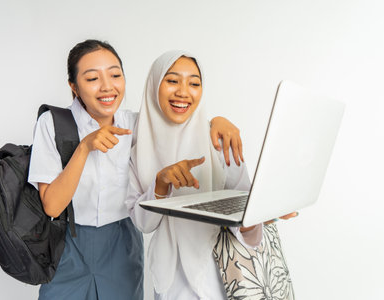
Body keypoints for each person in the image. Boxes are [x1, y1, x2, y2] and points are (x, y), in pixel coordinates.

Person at [28, 40, 245, 300]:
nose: (107, 86)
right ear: (74, 87)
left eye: (115, 75)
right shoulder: (52, 123)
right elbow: (52, 206)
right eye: (92, 78)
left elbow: (177, 119)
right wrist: (84, 148)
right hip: (68, 246)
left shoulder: (136, 125)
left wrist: (217, 121)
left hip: (122, 245)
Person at [126, 51, 296, 299]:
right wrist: (161, 184)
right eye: (172, 80)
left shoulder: (218, 140)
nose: (184, 92)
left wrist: (264, 212)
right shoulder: (138, 149)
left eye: (194, 83)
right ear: (154, 85)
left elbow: (244, 203)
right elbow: (143, 224)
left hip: (224, 274)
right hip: (171, 280)